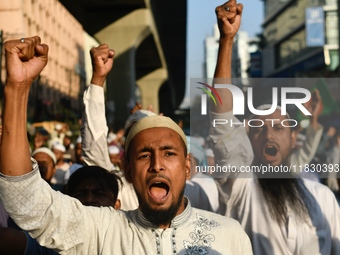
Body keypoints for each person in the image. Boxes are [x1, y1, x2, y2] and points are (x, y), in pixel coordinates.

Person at [0, 26, 252, 255]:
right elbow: (27, 200)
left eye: (169, 153)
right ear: (128, 171)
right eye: (144, 155)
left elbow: (225, 133)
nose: (157, 165)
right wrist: (18, 88)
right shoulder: (102, 229)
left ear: (187, 167)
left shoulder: (228, 235)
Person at [209, 1, 340, 254]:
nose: (269, 134)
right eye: (259, 128)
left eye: (279, 128)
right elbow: (222, 115)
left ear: (293, 139)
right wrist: (227, 41)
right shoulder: (239, 187)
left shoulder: (322, 197)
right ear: (248, 136)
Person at [0, 165, 121, 255]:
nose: (89, 199)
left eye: (99, 194)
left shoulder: (128, 238)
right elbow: (8, 240)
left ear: (117, 205)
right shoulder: (51, 241)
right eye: (81, 193)